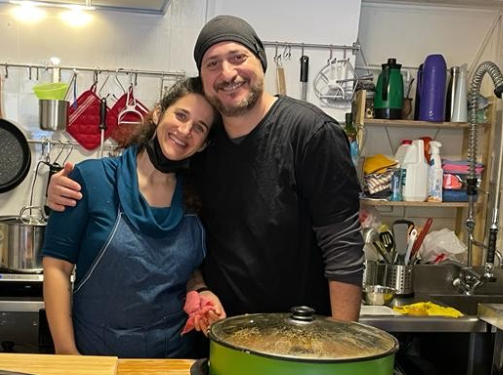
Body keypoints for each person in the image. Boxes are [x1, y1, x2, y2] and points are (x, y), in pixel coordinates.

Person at [47, 15, 364, 322]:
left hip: (299, 339)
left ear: (261, 60)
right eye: (212, 64)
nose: (227, 73)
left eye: (237, 57)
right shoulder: (203, 148)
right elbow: (185, 234)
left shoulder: (310, 133)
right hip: (219, 337)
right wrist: (63, 188)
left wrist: (342, 345)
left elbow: (343, 246)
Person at [42, 77, 222, 358]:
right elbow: (57, 267)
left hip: (171, 361)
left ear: (203, 144)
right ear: (158, 113)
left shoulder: (198, 198)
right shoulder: (91, 179)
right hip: (95, 358)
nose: (185, 130)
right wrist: (66, 352)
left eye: (199, 127)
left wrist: (201, 291)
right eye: (181, 115)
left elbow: (186, 270)